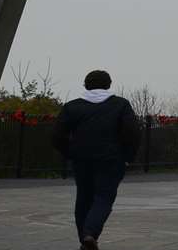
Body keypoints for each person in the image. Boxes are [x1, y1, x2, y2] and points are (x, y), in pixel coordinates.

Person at [52, 69, 140, 249]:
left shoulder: (72, 106)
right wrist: (127, 157)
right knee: (104, 197)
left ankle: (84, 239)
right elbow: (132, 133)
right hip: (111, 159)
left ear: (85, 84)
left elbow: (57, 136)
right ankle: (90, 234)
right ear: (109, 84)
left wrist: (70, 153)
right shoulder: (121, 105)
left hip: (81, 160)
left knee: (83, 198)